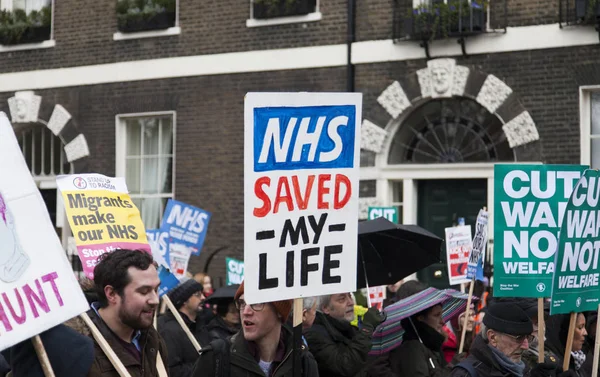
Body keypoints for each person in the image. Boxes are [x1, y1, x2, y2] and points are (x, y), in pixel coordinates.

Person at [191, 281, 319, 377]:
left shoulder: (303, 362)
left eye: (256, 303)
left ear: (280, 311)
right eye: (242, 303)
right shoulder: (216, 358)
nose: (245, 311)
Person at [85, 249, 168, 377]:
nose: (155, 300)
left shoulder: (152, 340)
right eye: (144, 291)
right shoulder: (80, 349)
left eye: (156, 289)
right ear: (112, 294)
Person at [305, 292, 385, 377]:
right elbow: (345, 366)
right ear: (326, 308)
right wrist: (366, 329)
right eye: (342, 299)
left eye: (350, 296)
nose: (351, 302)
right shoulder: (314, 334)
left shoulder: (349, 328)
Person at [451, 302, 540, 377]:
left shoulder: (523, 369)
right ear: (493, 337)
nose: (526, 346)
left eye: (528, 337)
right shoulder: (465, 374)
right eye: (519, 338)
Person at [158, 278, 205, 377]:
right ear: (184, 300)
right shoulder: (168, 329)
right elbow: (172, 370)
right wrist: (205, 368)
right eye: (197, 295)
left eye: (202, 293)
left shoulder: (200, 326)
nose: (203, 297)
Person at [546, 313, 590, 377]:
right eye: (580, 327)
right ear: (565, 331)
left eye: (584, 327)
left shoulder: (579, 360)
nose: (585, 333)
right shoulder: (550, 365)